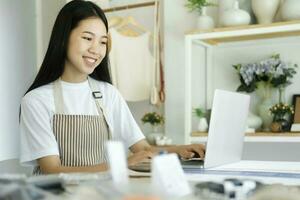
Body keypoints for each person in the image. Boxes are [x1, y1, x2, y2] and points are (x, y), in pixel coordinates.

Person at [19, 0, 205, 174]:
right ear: (63, 38)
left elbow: (143, 149)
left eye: (102, 42)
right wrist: (121, 165)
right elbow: (52, 170)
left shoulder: (108, 93)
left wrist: (180, 150)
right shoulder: (36, 100)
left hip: (100, 192)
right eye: (87, 38)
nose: (96, 49)